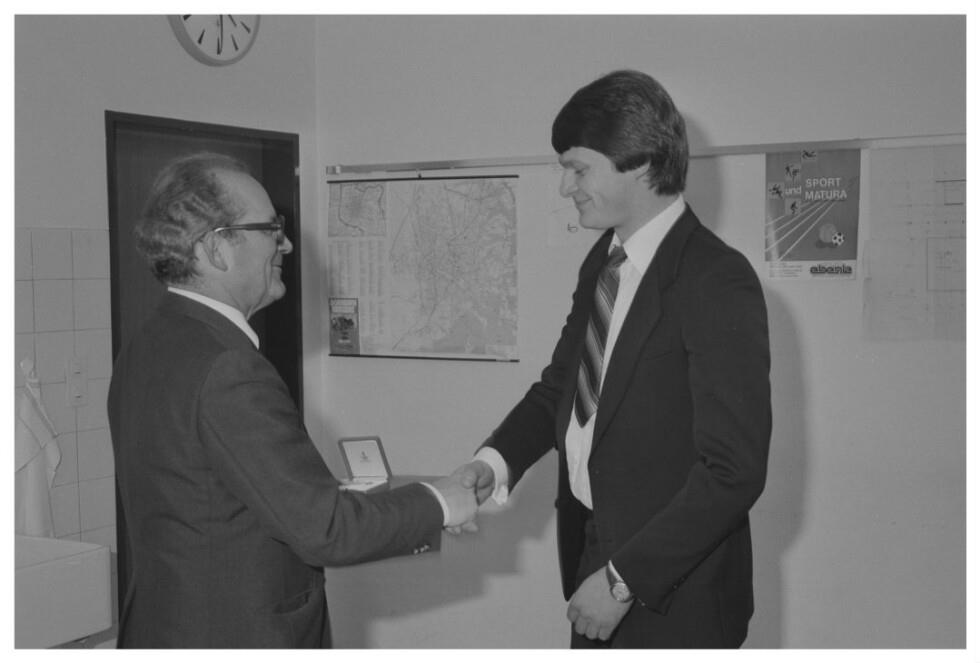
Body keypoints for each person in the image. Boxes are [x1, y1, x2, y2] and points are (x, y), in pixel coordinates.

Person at [108, 153, 478, 648]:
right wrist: (440, 502)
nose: (285, 243)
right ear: (216, 248)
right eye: (270, 228)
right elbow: (325, 530)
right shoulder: (229, 367)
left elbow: (223, 498)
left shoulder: (148, 343)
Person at [459, 70, 771, 648]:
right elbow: (562, 387)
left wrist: (623, 581)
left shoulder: (715, 278)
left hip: (673, 588)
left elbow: (734, 471)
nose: (566, 187)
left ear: (641, 163)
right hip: (595, 558)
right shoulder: (603, 262)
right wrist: (494, 463)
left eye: (579, 169)